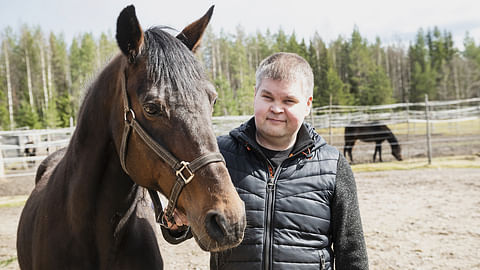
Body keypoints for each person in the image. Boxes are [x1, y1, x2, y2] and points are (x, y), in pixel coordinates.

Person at [162, 52, 368, 270]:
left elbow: (352, 251)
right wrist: (177, 225)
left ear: (307, 105)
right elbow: (186, 226)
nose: (276, 109)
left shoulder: (332, 166)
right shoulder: (220, 155)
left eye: (289, 100)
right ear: (255, 95)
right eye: (267, 97)